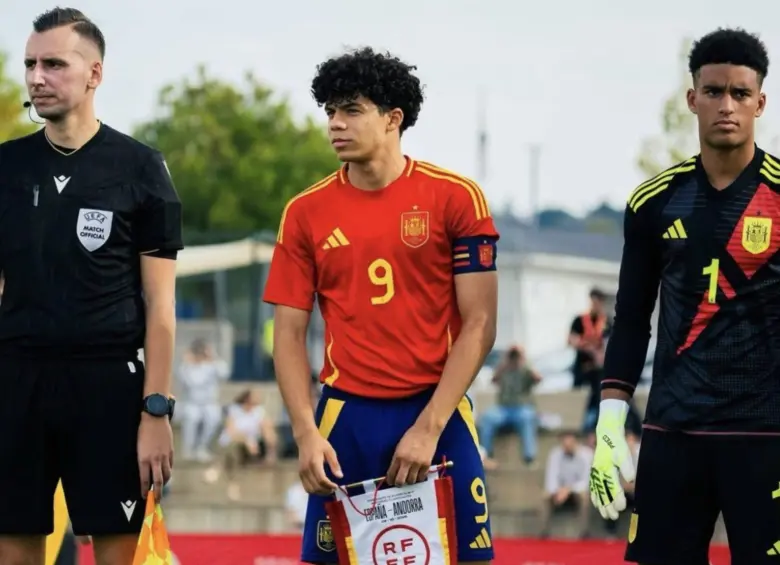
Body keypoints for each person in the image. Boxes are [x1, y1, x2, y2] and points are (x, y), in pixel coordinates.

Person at [263, 47, 499, 565]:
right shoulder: (304, 213)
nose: (335, 123)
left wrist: (429, 427)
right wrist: (305, 433)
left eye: (351, 110)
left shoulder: (456, 198)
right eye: (330, 110)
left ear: (394, 118)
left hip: (437, 413)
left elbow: (480, 324)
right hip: (346, 419)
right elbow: (288, 335)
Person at [589, 28, 780, 565]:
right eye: (714, 91)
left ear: (760, 103)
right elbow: (631, 319)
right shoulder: (654, 201)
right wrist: (610, 422)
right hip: (673, 432)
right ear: (693, 98)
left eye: (740, 93)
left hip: (766, 434)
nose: (727, 106)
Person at [0, 8, 181, 565]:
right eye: (30, 64)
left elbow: (161, 304)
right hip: (16, 382)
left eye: (54, 64)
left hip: (108, 387)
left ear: (95, 74)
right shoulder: (7, 167)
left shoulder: (141, 167)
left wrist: (156, 411)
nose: (36, 77)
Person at [477, 346, 541, 467]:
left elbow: (538, 378)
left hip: (521, 409)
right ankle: (486, 454)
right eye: (512, 356)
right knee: (487, 417)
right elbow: (493, 380)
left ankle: (529, 457)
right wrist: (505, 360)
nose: (514, 358)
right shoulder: (504, 369)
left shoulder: (525, 369)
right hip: (503, 409)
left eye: (515, 356)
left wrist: (524, 359)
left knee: (528, 417)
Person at [177, 338, 230, 461]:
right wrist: (186, 363)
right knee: (192, 418)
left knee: (214, 418)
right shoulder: (187, 367)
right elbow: (187, 382)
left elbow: (224, 373)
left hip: (209, 403)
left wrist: (214, 357)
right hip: (192, 403)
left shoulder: (212, 365)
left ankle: (202, 447)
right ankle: (188, 449)